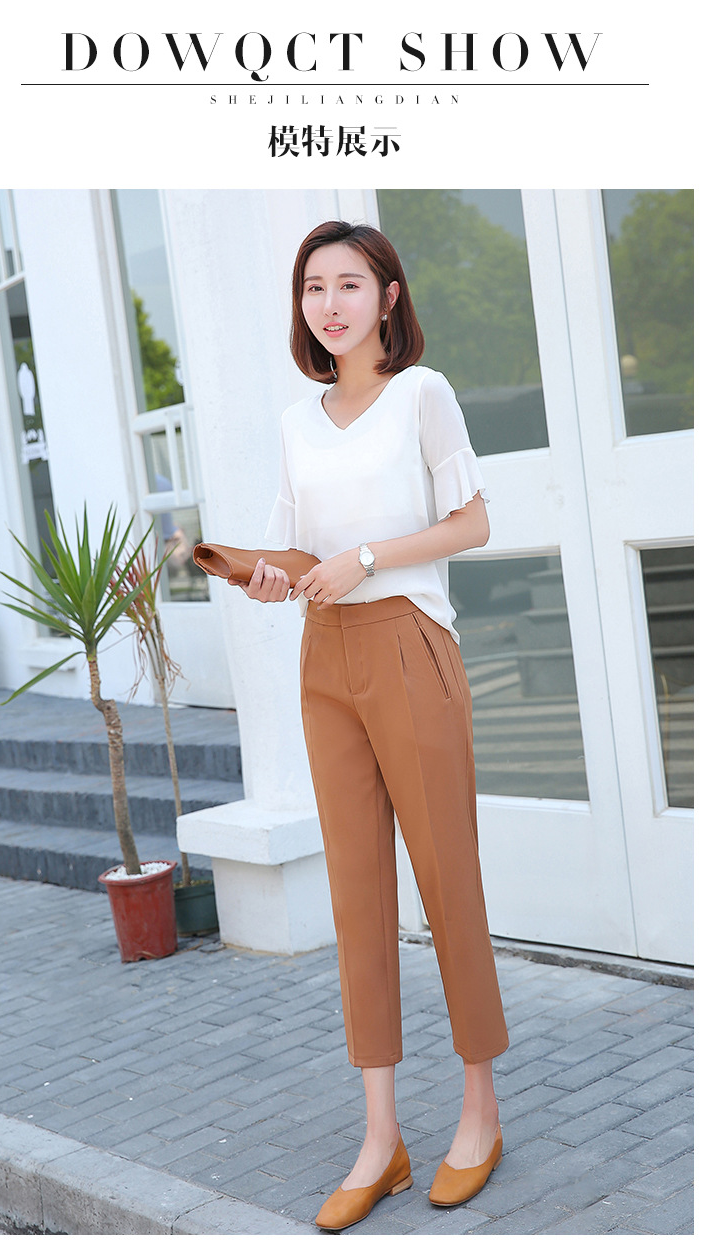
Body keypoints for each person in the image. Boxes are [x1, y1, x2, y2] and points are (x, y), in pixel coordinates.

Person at [231, 220, 509, 1231]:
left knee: (446, 878)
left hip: (408, 644)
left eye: (349, 283)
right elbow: (294, 548)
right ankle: (381, 1136)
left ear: (389, 296)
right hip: (326, 657)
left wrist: (372, 557)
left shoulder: (422, 394)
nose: (329, 303)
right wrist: (265, 574)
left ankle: (480, 1111)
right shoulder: (298, 420)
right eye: (314, 287)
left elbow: (474, 520)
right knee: (356, 893)